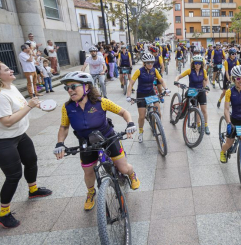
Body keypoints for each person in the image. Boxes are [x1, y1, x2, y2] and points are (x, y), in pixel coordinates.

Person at [54, 72, 140, 211]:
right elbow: (64, 127)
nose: (70, 90)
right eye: (67, 88)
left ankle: (131, 174)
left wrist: (130, 123)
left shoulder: (101, 102)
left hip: (108, 138)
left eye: (73, 86)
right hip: (86, 143)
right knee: (88, 172)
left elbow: (124, 112)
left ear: (86, 87)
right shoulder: (67, 107)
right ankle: (90, 192)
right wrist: (60, 143)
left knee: (123, 168)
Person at [0, 61, 52, 228]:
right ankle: (3, 213)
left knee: (31, 161)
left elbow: (21, 108)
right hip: (4, 139)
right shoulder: (1, 95)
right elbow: (7, 122)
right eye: (6, 69)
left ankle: (33, 190)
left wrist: (35, 104)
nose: (11, 70)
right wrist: (30, 105)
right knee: (14, 175)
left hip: (20, 134)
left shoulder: (11, 87)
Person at [126, 53, 170, 143]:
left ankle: (159, 126)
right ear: (144, 63)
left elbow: (161, 80)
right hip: (141, 94)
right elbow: (131, 83)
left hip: (151, 92)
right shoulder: (139, 71)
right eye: (148, 63)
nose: (150, 64)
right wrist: (128, 96)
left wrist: (166, 88)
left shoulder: (154, 70)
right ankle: (141, 132)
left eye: (152, 63)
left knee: (158, 111)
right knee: (142, 116)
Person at [175, 55, 210, 135]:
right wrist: (176, 81)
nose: (197, 65)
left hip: (201, 91)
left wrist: (206, 87)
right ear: (193, 64)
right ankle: (198, 125)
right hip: (192, 91)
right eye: (196, 63)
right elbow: (179, 76)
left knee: (204, 110)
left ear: (202, 64)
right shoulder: (189, 71)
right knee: (196, 109)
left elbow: (206, 79)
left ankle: (206, 125)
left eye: (199, 63)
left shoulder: (203, 71)